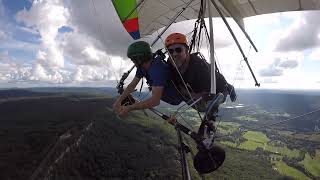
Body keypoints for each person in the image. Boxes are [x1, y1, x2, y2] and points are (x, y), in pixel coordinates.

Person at [164, 32, 237, 112]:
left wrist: (188, 93)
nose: (174, 54)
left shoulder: (199, 66)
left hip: (216, 88)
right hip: (193, 88)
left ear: (186, 50)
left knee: (205, 107)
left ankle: (227, 89)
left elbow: (205, 93)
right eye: (170, 51)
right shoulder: (170, 63)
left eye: (178, 50)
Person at [113, 41, 183, 116]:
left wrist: (129, 108)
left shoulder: (158, 70)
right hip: (165, 95)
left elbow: (155, 101)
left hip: (174, 98)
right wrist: (119, 100)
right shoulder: (142, 67)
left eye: (133, 59)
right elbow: (132, 85)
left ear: (140, 58)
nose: (132, 61)